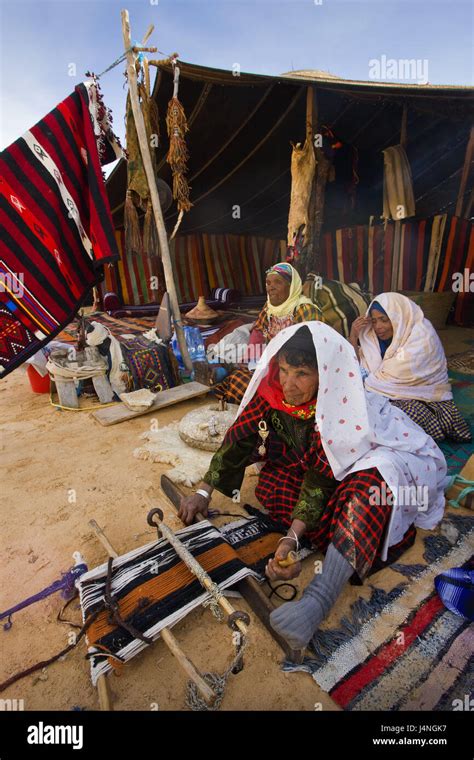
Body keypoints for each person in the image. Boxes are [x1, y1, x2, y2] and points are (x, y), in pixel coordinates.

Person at [179, 322, 448, 651]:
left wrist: (291, 538)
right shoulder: (272, 393)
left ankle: (317, 600)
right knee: (271, 466)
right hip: (303, 473)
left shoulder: (340, 406)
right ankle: (329, 539)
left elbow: (320, 480)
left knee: (373, 485)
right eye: (284, 370)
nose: (288, 384)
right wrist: (204, 492)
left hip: (352, 468)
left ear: (325, 375)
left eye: (302, 374)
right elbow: (238, 440)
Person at [349, 292, 471, 443]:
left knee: (397, 416)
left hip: (424, 395)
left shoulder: (422, 338)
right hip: (387, 391)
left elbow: (397, 372)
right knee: (371, 412)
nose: (378, 327)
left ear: (398, 318)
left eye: (384, 320)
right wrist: (354, 336)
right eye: (373, 321)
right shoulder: (373, 338)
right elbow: (354, 364)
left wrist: (367, 384)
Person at [212, 262, 322, 404]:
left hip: (295, 369)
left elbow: (310, 350)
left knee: (251, 387)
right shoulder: (269, 308)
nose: (271, 286)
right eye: (268, 283)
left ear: (291, 285)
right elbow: (258, 330)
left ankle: (266, 402)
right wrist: (251, 361)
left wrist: (274, 367)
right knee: (237, 378)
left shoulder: (305, 310)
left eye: (278, 282)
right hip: (272, 363)